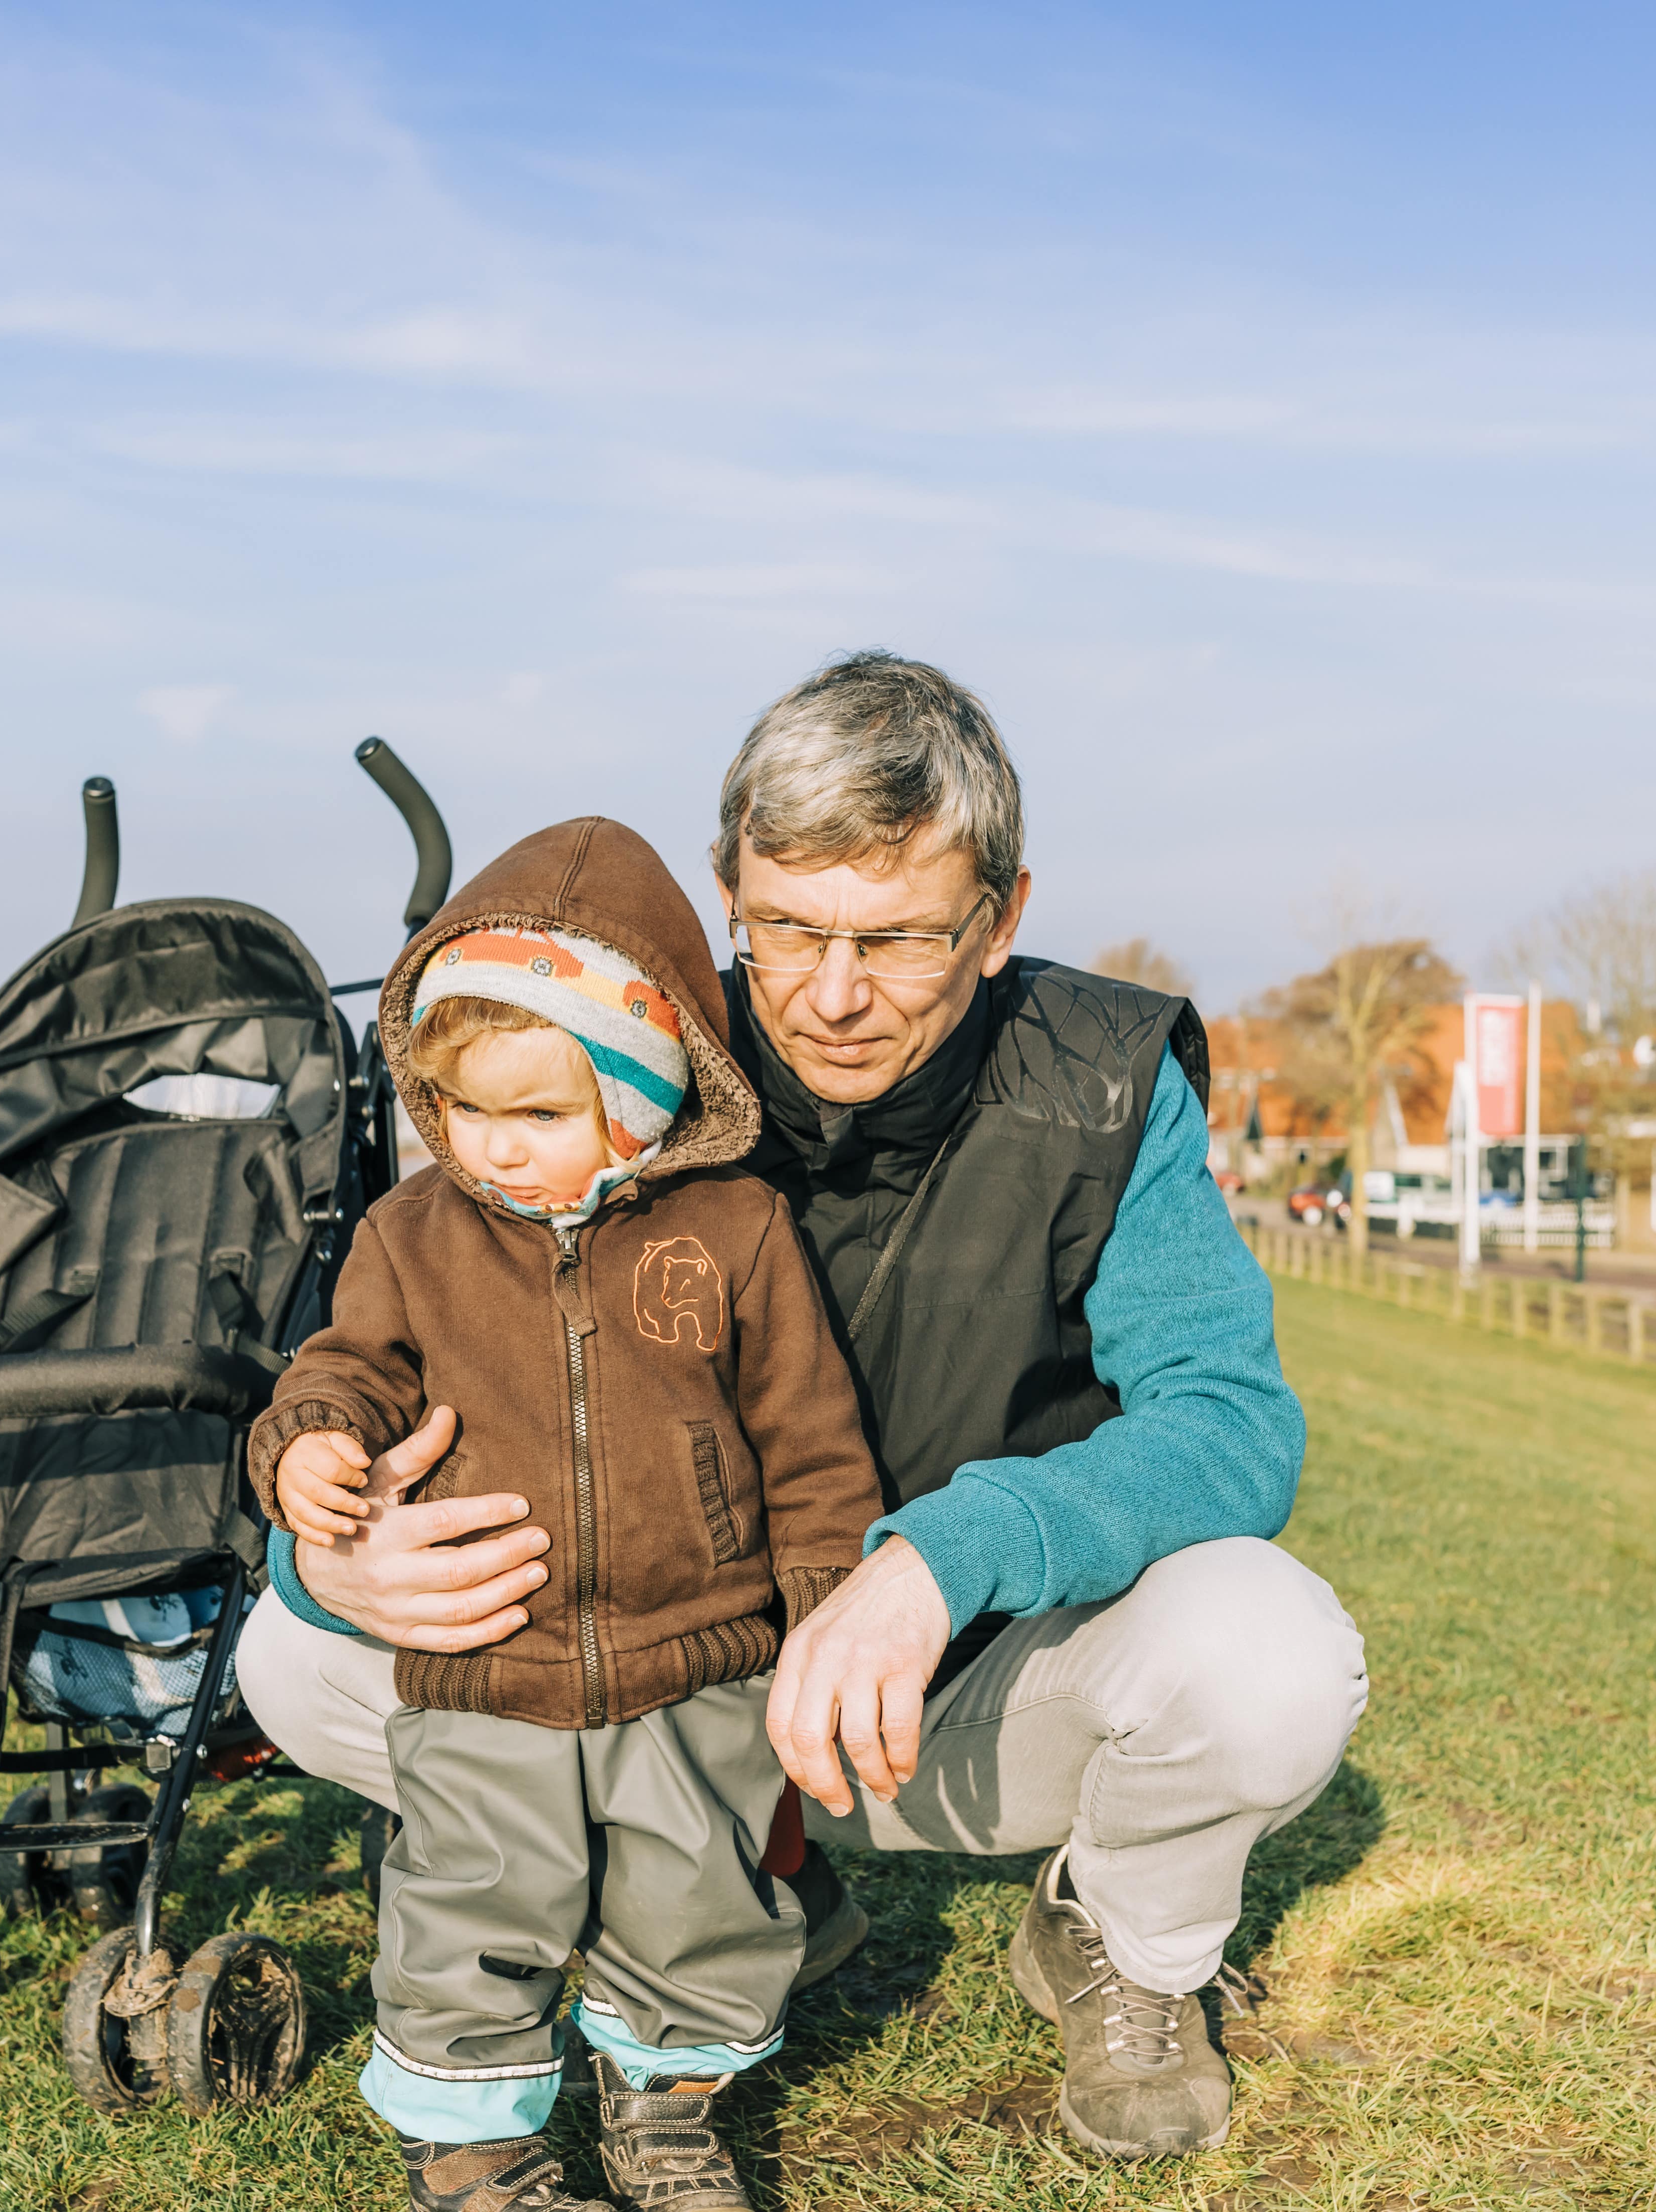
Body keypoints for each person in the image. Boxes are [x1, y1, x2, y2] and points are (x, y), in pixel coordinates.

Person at [239, 651, 1369, 2167]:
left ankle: (1124, 1946)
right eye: (786, 931)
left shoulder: (1106, 1081)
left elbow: (1230, 1422)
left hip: (953, 1696)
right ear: (727, 893)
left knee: (1270, 1651)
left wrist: (939, 1559)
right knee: (289, 1654)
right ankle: (688, 1879)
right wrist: (333, 1552)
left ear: (1003, 917)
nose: (835, 996)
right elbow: (393, 1347)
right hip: (660, 1680)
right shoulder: (596, 1054)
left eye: (900, 938)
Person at [243, 818, 886, 2212]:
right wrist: (309, 1445)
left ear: (642, 1097)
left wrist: (828, 1603)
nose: (492, 1149)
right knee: (473, 1904)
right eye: (465, 1109)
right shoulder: (415, 1236)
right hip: (490, 1665)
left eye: (538, 1116)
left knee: (696, 1901)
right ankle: (474, 2152)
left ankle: (668, 2114)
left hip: (697, 1656)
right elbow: (343, 1367)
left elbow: (810, 1439)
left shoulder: (734, 1231)